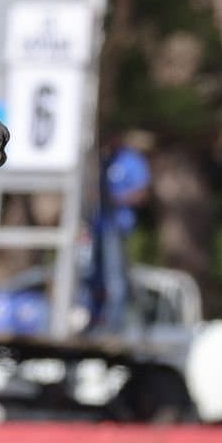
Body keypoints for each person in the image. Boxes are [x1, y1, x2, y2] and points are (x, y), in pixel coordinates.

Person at [84, 139, 152, 335]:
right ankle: (94, 320)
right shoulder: (102, 160)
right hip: (97, 227)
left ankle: (114, 326)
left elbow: (142, 192)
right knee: (93, 276)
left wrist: (115, 199)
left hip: (117, 227)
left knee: (116, 278)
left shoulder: (131, 160)